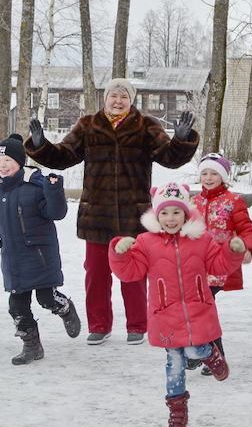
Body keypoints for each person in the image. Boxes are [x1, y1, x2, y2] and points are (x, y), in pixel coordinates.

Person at [25, 78, 200, 346]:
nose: (118, 101)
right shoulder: (88, 125)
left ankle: (137, 325)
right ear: (105, 98)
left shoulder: (146, 126)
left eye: (124, 97)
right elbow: (64, 155)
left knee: (134, 274)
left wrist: (181, 140)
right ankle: (99, 325)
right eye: (113, 96)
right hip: (97, 214)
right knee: (96, 274)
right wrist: (41, 145)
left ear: (131, 101)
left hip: (133, 215)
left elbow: (169, 158)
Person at [108, 181, 247, 427]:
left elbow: (218, 265)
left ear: (186, 214)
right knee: (174, 365)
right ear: (155, 215)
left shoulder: (201, 239)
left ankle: (210, 353)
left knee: (195, 349)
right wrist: (121, 253)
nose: (170, 218)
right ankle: (177, 415)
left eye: (176, 212)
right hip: (165, 314)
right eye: (164, 212)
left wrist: (231, 251)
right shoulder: (146, 242)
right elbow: (130, 273)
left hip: (198, 308)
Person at [0, 134, 81, 365]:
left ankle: (65, 308)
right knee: (16, 306)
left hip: (40, 255)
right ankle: (32, 346)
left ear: (19, 162)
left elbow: (56, 213)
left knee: (47, 299)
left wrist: (54, 190)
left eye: (8, 160)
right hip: (12, 258)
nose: (2, 165)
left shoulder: (35, 186)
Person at [188, 153, 252, 376]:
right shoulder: (193, 202)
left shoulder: (233, 201)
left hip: (220, 261)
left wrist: (246, 248)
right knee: (197, 307)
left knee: (203, 305)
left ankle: (213, 354)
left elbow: (246, 228)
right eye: (205, 173)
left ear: (223, 176)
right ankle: (202, 351)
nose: (208, 177)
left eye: (214, 173)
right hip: (196, 263)